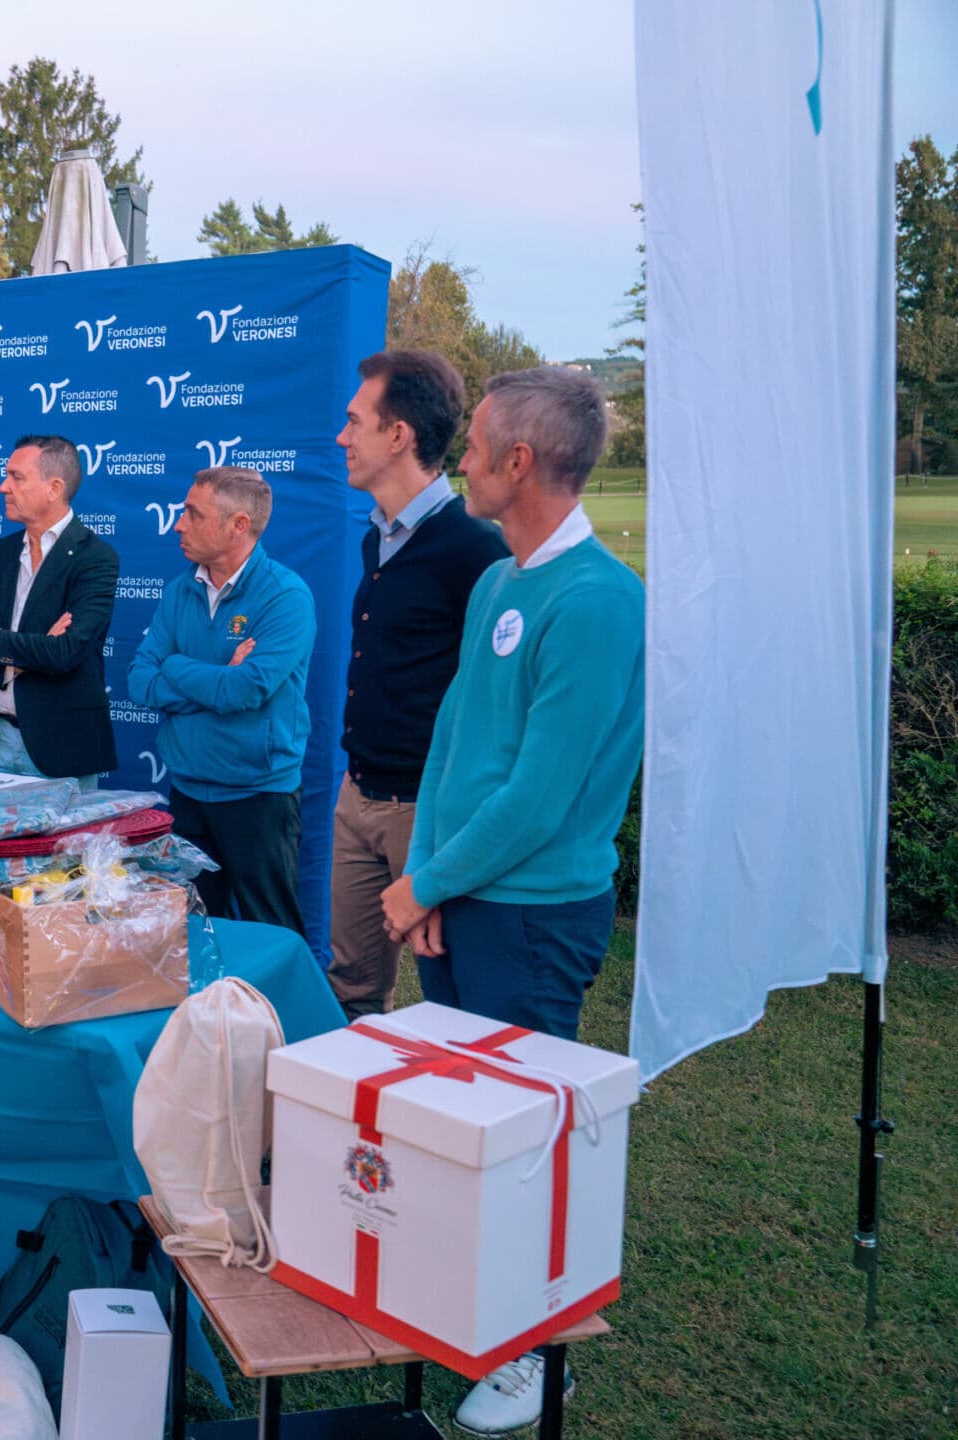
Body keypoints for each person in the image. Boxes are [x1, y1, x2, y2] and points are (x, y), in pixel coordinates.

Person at [376, 367, 642, 1437]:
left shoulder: (598, 601)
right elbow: (455, 741)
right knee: (464, 1122)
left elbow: (542, 794)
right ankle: (468, 1301)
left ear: (518, 462)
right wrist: (428, 879)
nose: (462, 458)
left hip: (533, 917)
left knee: (532, 1136)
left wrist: (423, 883)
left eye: (476, 444)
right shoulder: (498, 581)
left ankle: (540, 1353)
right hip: (461, 897)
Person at [329, 351, 509, 1018]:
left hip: (426, 814)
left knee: (450, 995)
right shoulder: (377, 540)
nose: (342, 438)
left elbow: (491, 704)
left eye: (354, 422)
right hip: (357, 797)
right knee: (349, 984)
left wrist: (440, 831)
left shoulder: (473, 550)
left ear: (398, 434)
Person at [126, 467, 314, 934]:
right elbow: (140, 681)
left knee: (268, 935)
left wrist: (177, 665)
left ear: (239, 525)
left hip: (258, 797)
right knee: (193, 932)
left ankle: (271, 1011)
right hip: (188, 794)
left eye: (193, 513)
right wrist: (214, 676)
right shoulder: (180, 590)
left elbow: (247, 689)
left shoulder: (286, 597)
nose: (179, 524)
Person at [0, 434, 118, 781]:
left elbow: (65, 653)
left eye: (16, 477)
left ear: (54, 488)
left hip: (63, 748)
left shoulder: (95, 558)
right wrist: (26, 657)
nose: (3, 487)